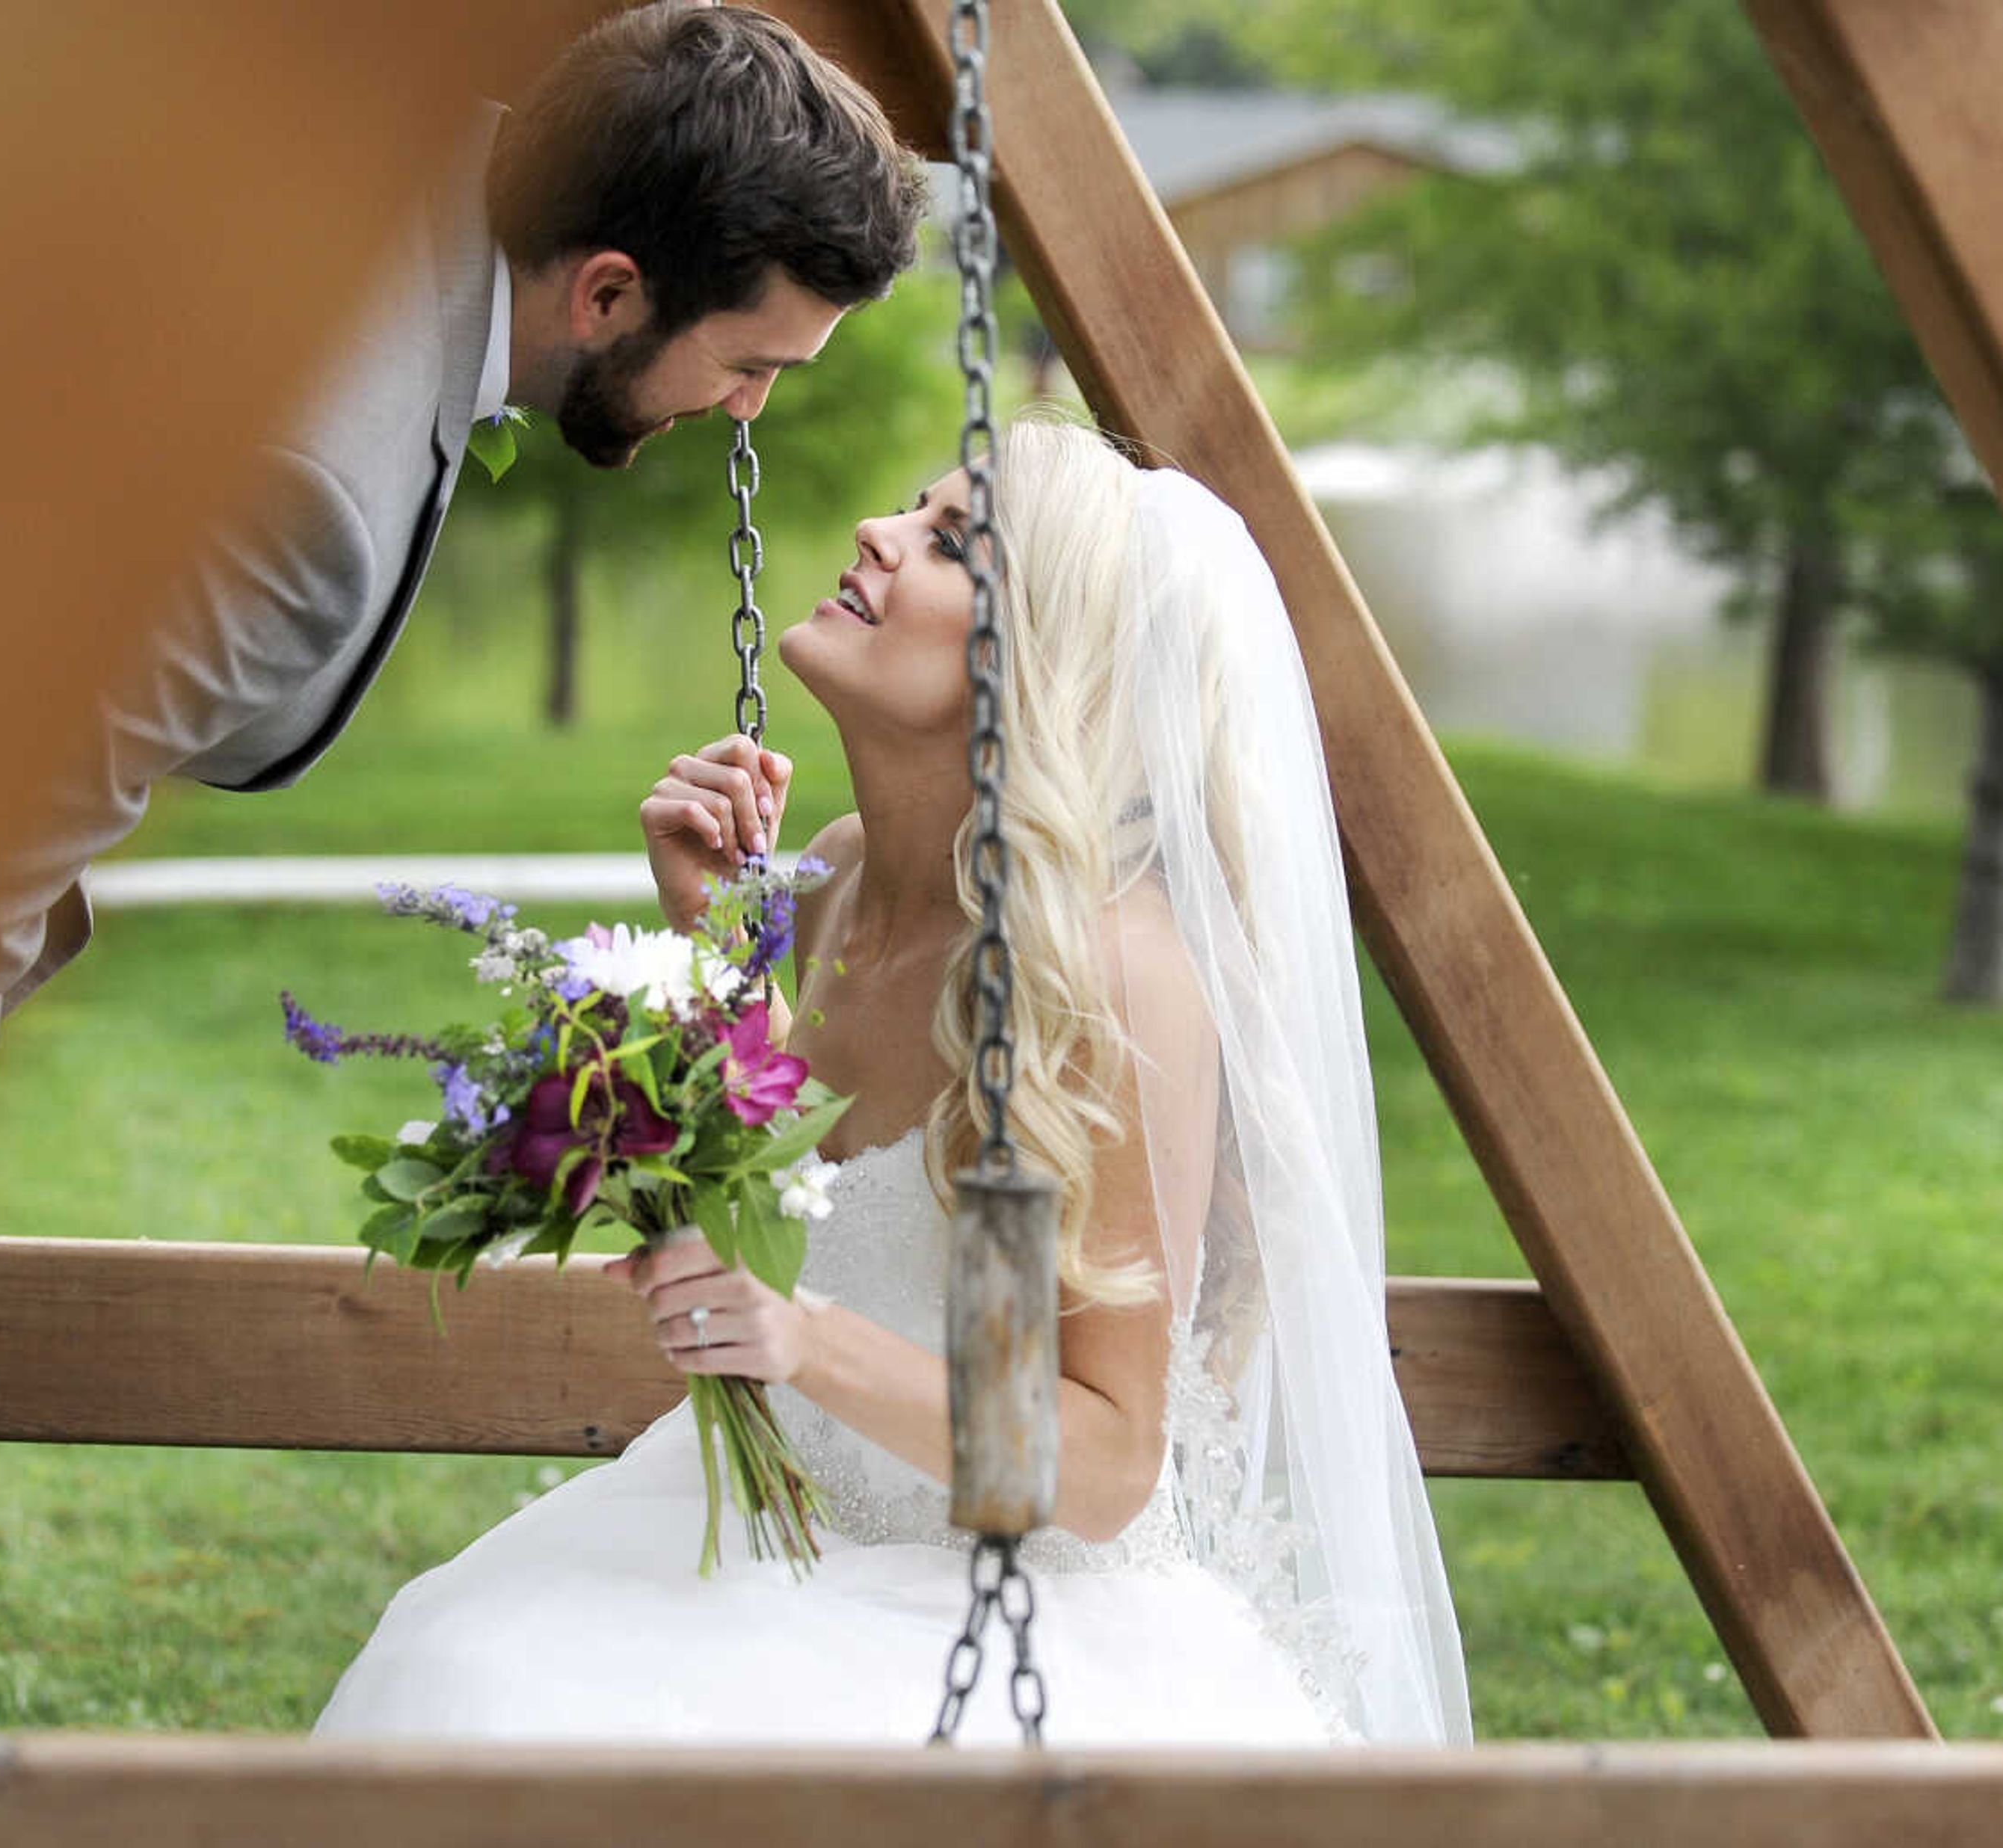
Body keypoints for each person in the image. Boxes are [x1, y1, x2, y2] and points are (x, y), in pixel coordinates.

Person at [0, 1, 927, 1725]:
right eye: (756, 364)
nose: (747, 414)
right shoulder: (303, 477)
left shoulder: (372, 198)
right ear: (610, 291)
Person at [314, 419, 1474, 1747]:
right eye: (911, 508)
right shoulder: (837, 879)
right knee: (477, 1675)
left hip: (985, 1600)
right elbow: (785, 1206)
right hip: (788, 1536)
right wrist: (708, 952)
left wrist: (800, 1336)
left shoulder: (1073, 975)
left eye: (952, 543)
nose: (878, 534)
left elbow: (1085, 1457)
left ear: (1038, 665)